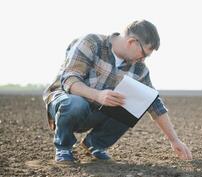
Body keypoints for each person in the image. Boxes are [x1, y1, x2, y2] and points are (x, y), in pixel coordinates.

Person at [43, 20, 193, 162]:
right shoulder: (91, 43)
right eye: (144, 54)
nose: (143, 60)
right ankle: (63, 148)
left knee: (137, 103)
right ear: (132, 42)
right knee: (76, 103)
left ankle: (95, 143)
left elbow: (154, 104)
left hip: (96, 109)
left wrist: (174, 140)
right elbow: (69, 80)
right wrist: (98, 95)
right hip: (66, 102)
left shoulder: (139, 69)